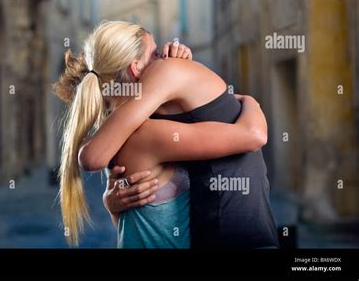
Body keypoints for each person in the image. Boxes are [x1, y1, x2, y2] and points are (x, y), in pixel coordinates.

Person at [53, 20, 276, 248]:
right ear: (136, 68)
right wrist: (249, 101)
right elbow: (254, 135)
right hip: (237, 235)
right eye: (156, 53)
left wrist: (111, 203)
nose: (167, 56)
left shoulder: (130, 124)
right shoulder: (145, 119)